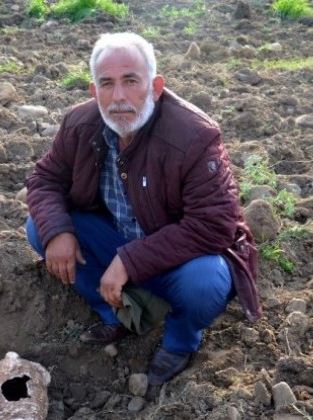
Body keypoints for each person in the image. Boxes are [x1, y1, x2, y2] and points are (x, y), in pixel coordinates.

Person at [25, 32, 262, 386]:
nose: (118, 97)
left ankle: (181, 339)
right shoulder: (80, 125)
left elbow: (214, 225)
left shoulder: (194, 136)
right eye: (107, 84)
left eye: (130, 81)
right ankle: (117, 313)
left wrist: (129, 261)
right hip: (117, 239)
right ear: (94, 92)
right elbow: (45, 179)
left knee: (205, 283)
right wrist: (58, 232)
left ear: (154, 86)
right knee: (40, 228)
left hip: (181, 259)